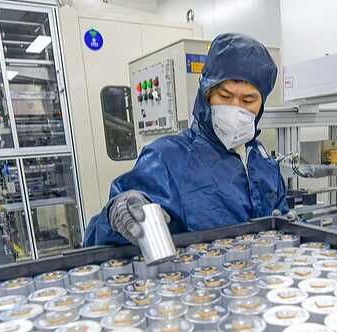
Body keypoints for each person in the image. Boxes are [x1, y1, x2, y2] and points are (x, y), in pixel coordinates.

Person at [84, 33, 288, 246]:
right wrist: (116, 215)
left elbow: (278, 222)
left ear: (261, 104)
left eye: (248, 99)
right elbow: (102, 243)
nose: (235, 108)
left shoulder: (263, 162)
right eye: (225, 96)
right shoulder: (167, 158)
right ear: (206, 93)